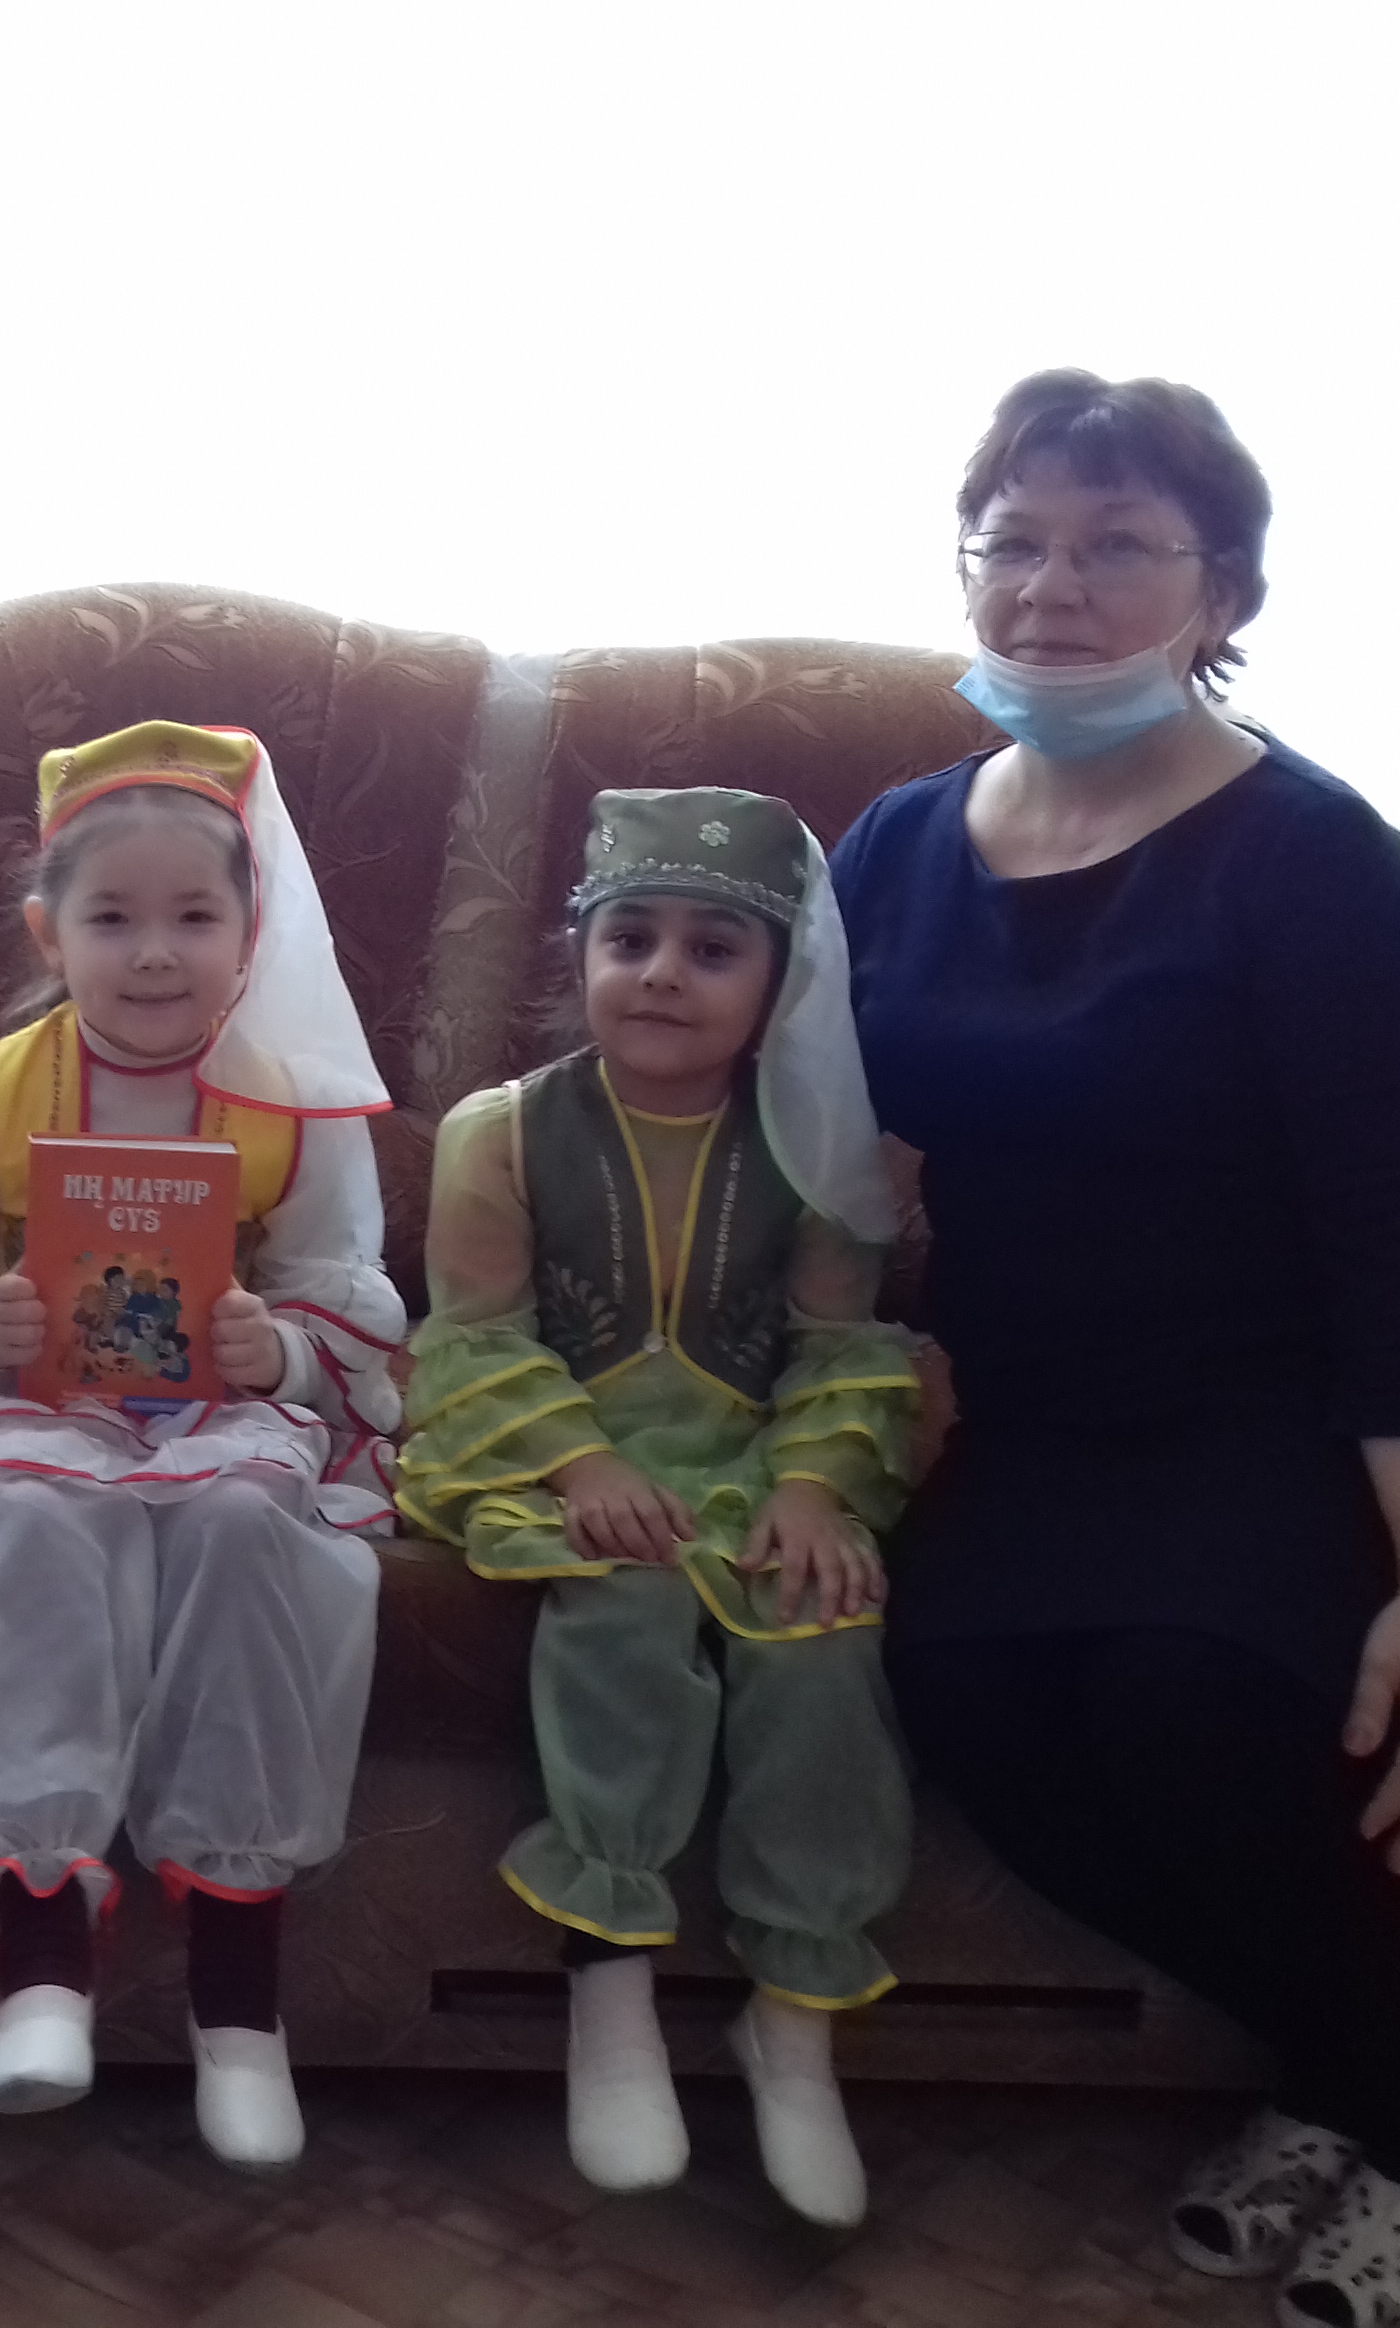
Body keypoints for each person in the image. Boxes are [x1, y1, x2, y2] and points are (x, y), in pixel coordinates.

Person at [829, 371, 1400, 2328]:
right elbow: (820, 1162)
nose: (1053, 586)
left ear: (1222, 587)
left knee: (1197, 1702)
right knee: (967, 1692)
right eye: (1014, 542)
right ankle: (1342, 2067)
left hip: (1321, 1392)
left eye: (1118, 544)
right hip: (1056, 1403)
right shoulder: (891, 845)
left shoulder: (1320, 865)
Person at [0, 720, 404, 2171]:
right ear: (49, 930)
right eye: (112, 919)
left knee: (243, 1523)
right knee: (45, 1519)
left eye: (195, 917)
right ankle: (42, 1955)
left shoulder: (297, 1107)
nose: (155, 955)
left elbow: (340, 1293)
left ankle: (238, 1991)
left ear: (251, 933)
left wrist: (280, 1350)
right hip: (33, 1415)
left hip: (218, 1418)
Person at [396, 788, 918, 2228]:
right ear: (581, 954)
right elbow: (475, 1338)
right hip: (551, 1459)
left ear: (780, 984)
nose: (663, 975)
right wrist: (582, 1466)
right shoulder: (502, 1132)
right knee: (620, 1600)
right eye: (629, 939)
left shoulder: (820, 1145)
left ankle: (790, 2022)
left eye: (713, 949)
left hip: (752, 1463)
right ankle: (609, 1988)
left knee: (820, 1630)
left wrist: (810, 1487)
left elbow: (841, 1349)